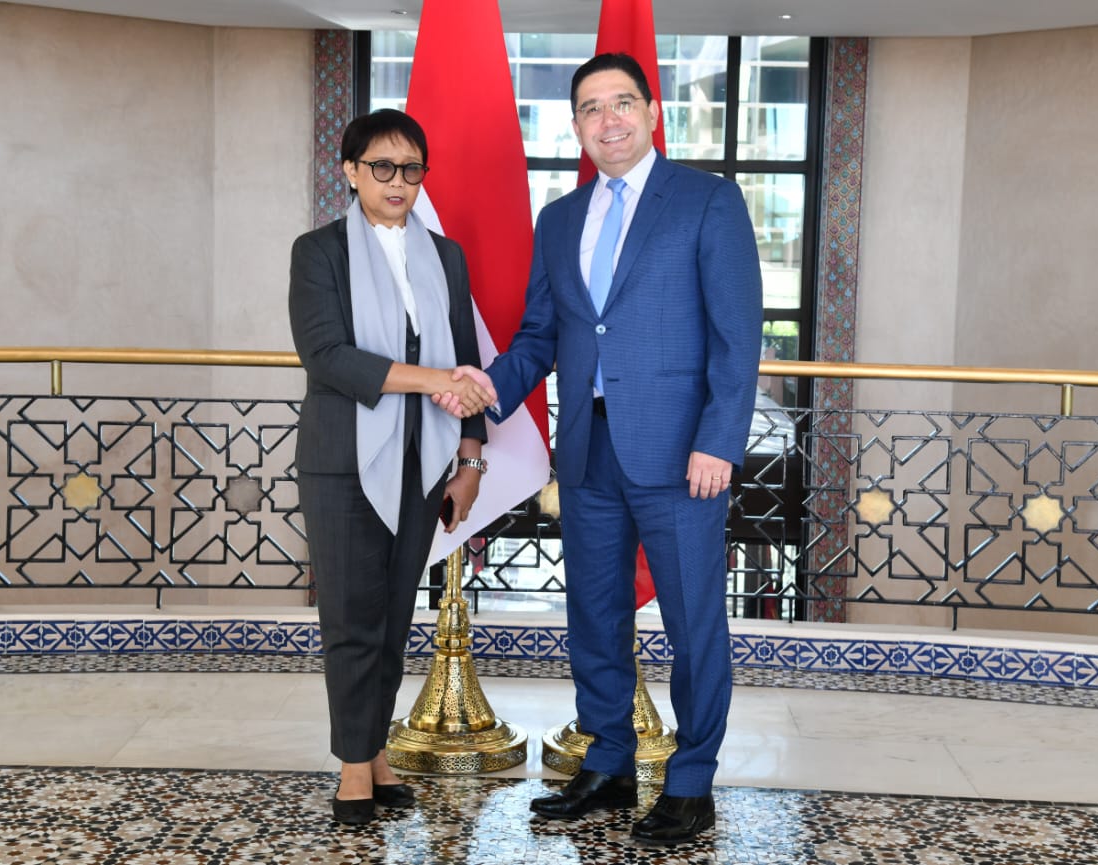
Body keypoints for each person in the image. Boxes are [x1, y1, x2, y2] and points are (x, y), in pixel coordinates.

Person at [447, 53, 762, 845]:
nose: (607, 119)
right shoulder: (560, 219)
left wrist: (719, 441)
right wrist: (484, 388)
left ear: (652, 112)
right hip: (588, 452)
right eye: (591, 108)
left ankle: (690, 780)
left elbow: (737, 336)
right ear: (576, 126)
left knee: (693, 625)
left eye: (622, 102)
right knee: (593, 615)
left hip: (683, 458)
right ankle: (610, 760)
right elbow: (541, 335)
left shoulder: (708, 201)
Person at [289, 109, 494, 826]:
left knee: (393, 615)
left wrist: (471, 458)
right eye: (381, 166)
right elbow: (328, 357)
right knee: (352, 618)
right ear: (351, 171)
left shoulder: (446, 255)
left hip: (425, 461)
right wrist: (433, 377)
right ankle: (354, 766)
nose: (397, 181)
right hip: (343, 462)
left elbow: (466, 360)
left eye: (411, 168)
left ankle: (374, 752)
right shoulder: (319, 252)